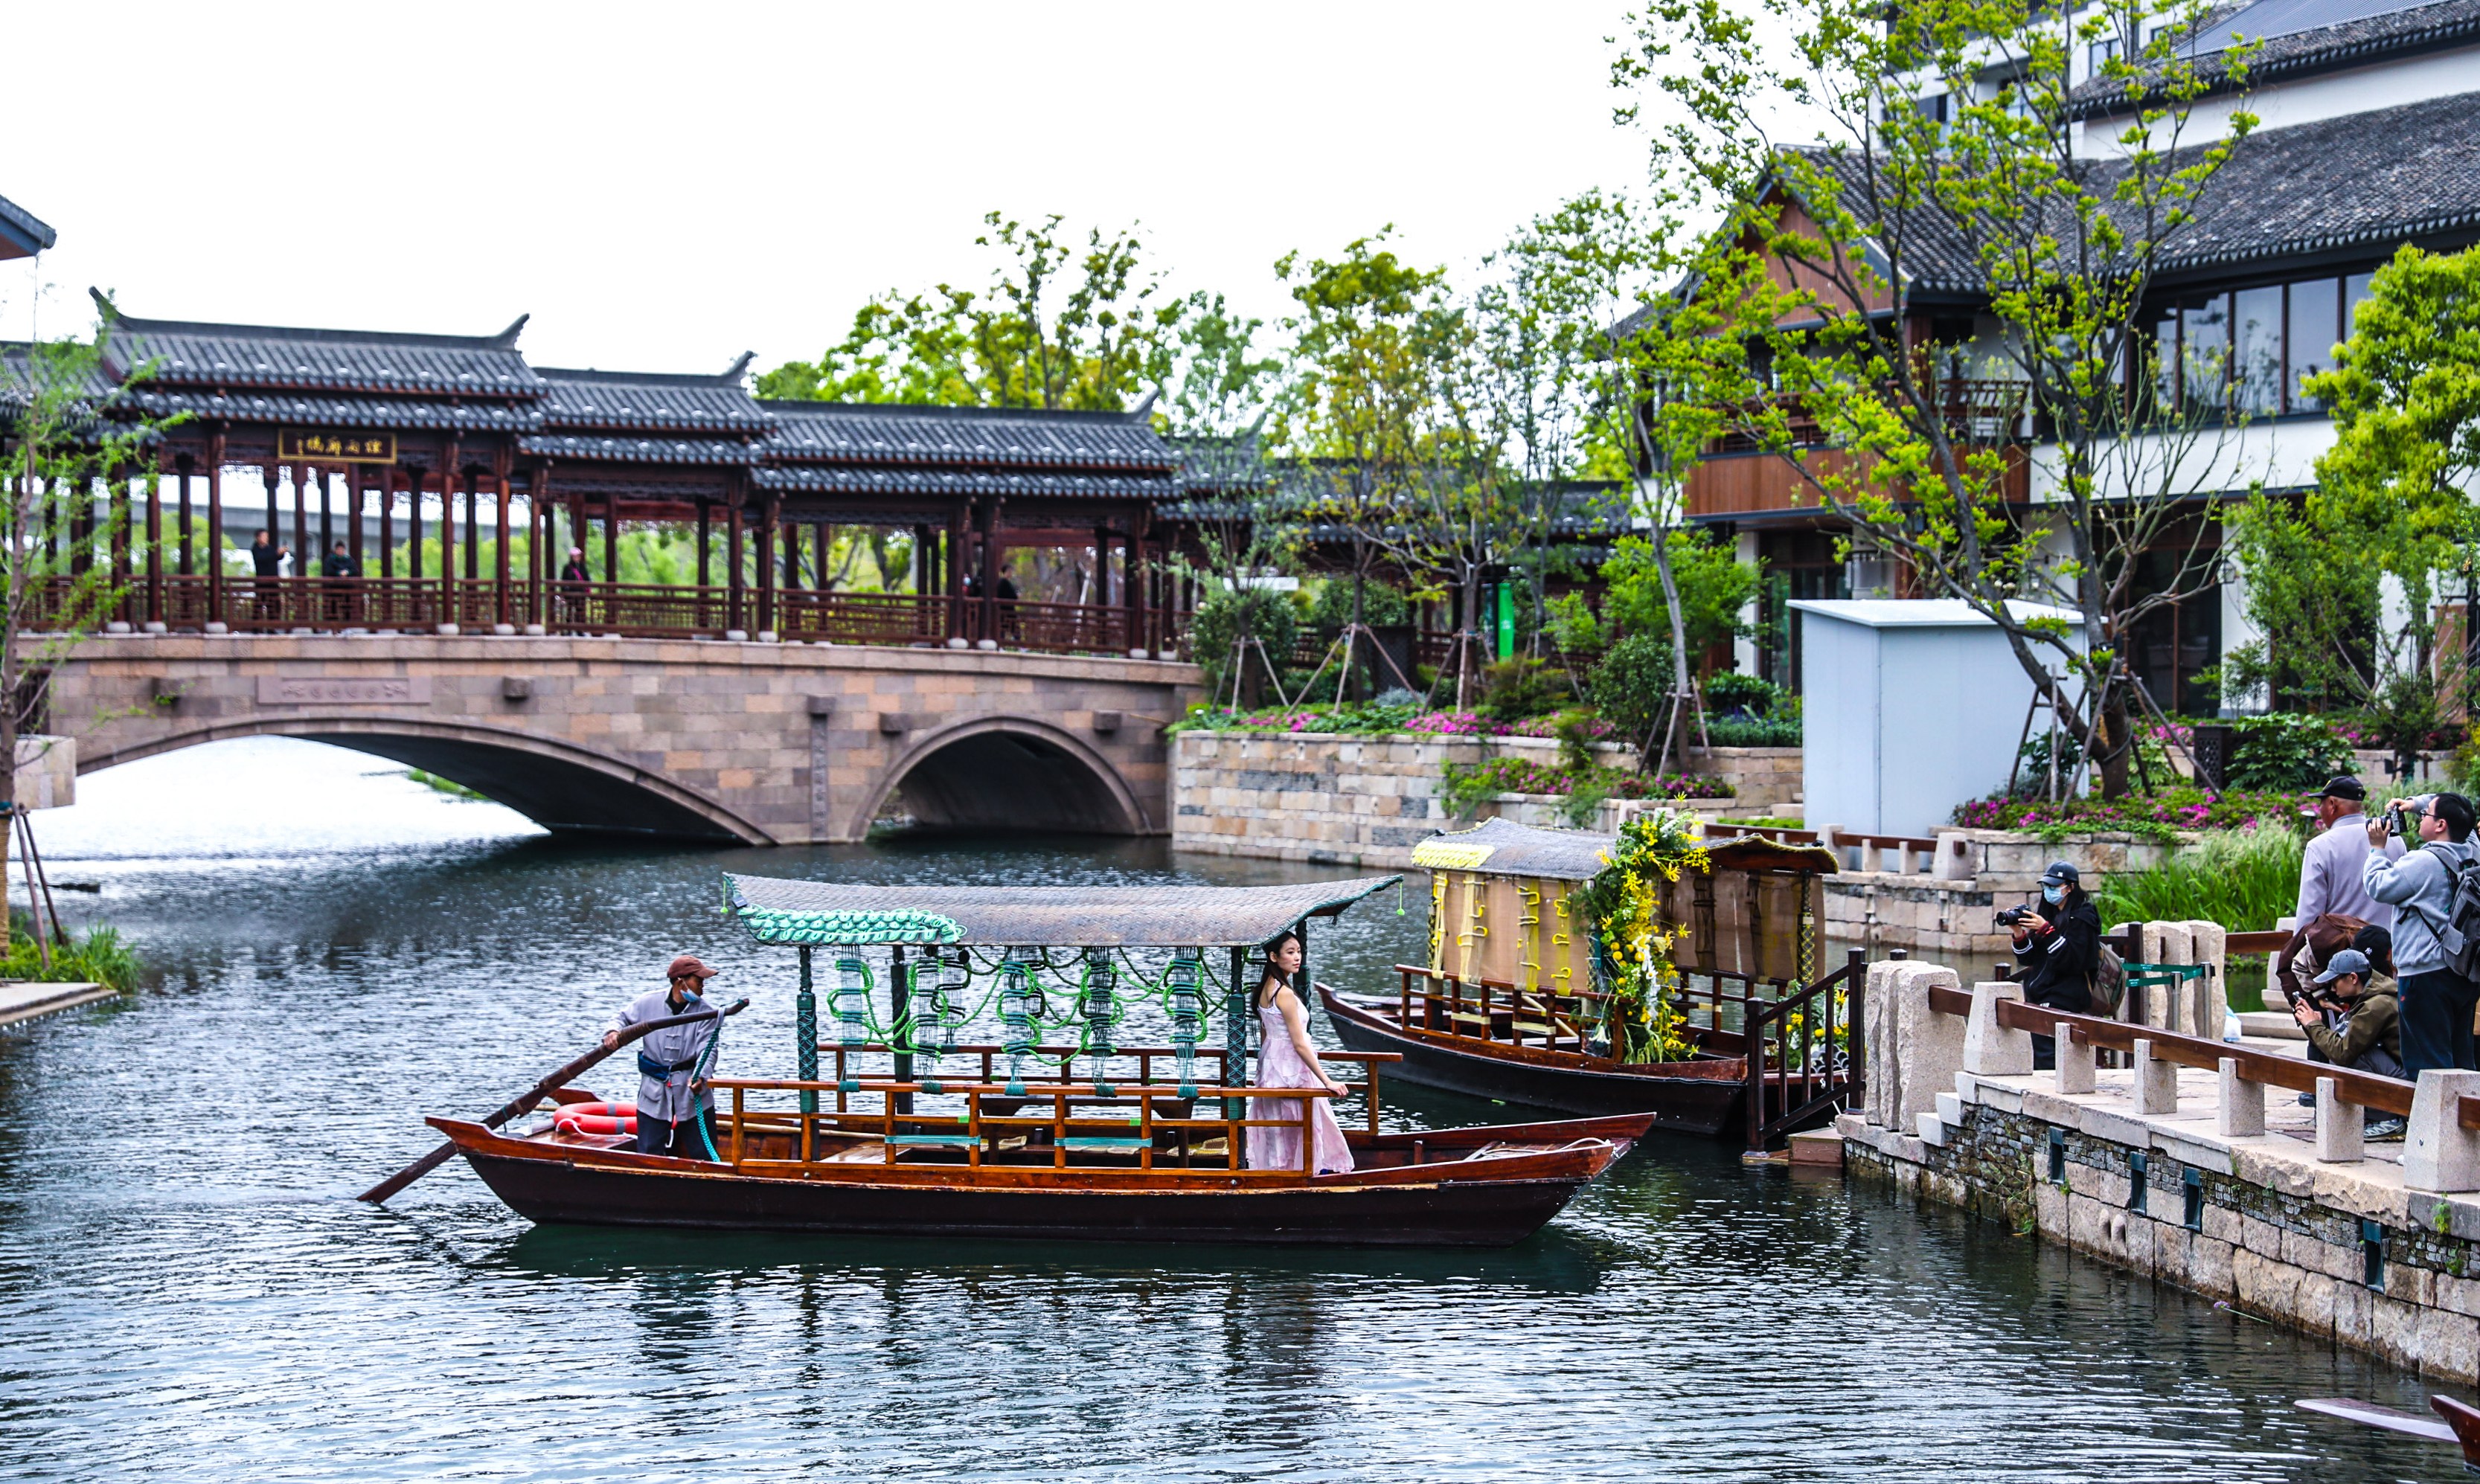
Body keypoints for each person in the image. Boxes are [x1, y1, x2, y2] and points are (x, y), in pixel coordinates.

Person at [2362, 791, 2480, 1076]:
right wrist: (2415, 804)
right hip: (2464, 970)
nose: (2420, 817)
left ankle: (2433, 1109)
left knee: (2428, 1064)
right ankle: (2464, 1108)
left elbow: (2377, 886)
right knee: (2462, 1058)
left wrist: (2377, 848)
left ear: (2440, 825)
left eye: (2425, 814)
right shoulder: (2473, 851)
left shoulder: (2422, 862)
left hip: (2424, 974)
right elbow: (2458, 806)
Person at [1246, 931, 1354, 1175]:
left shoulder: (1266, 988)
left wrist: (1263, 1067)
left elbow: (1266, 1035)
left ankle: (1281, 1173)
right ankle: (1298, 1174)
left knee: (1279, 1127)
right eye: (1290, 952)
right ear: (1274, 957)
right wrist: (1327, 1081)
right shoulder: (1283, 993)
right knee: (1297, 1125)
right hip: (1290, 1065)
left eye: (1299, 952)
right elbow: (1299, 1043)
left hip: (1274, 1064)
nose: (1297, 958)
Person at [600, 954, 727, 1160]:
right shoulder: (648, 1002)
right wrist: (613, 1032)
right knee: (648, 1152)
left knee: (704, 1154)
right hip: (654, 1090)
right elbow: (621, 1017)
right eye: (699, 980)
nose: (703, 986)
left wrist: (701, 1077)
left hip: (691, 1090)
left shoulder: (708, 1013)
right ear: (681, 982)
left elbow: (709, 1049)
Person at [2290, 948, 2407, 1137]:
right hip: (2401, 1073)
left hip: (2408, 1082)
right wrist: (2315, 1024)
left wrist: (2313, 1025)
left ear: (2353, 978)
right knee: (2349, 1047)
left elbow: (2342, 1053)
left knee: (2354, 1054)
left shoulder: (2377, 1005)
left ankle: (2387, 1121)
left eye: (2334, 982)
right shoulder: (2374, 993)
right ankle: (2377, 1116)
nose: (2332, 989)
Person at [2012, 859, 2102, 1070]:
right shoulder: (2050, 915)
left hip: (2066, 995)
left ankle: (2052, 1086)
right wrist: (2018, 934)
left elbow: (2073, 961)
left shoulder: (2084, 917)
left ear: (2070, 888)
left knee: (2048, 1055)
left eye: (2054, 886)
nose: (2048, 891)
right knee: (2037, 1050)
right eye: (2046, 886)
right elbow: (2028, 959)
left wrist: (2046, 930)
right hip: (2039, 994)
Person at [2299, 775, 2397, 926]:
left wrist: (2300, 940)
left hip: (2342, 940)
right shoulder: (2394, 840)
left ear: (2332, 804)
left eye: (2321, 803)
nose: (2320, 810)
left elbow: (2310, 914)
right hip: (2389, 940)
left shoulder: (2319, 847)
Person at [249, 529, 289, 622]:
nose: (266, 538)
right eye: (264, 536)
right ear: (258, 538)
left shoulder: (269, 548)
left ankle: (272, 625)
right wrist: (276, 553)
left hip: (273, 581)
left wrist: (282, 553)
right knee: (259, 604)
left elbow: (276, 557)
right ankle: (256, 626)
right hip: (262, 582)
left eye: (267, 536)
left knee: (274, 605)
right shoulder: (256, 549)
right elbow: (262, 558)